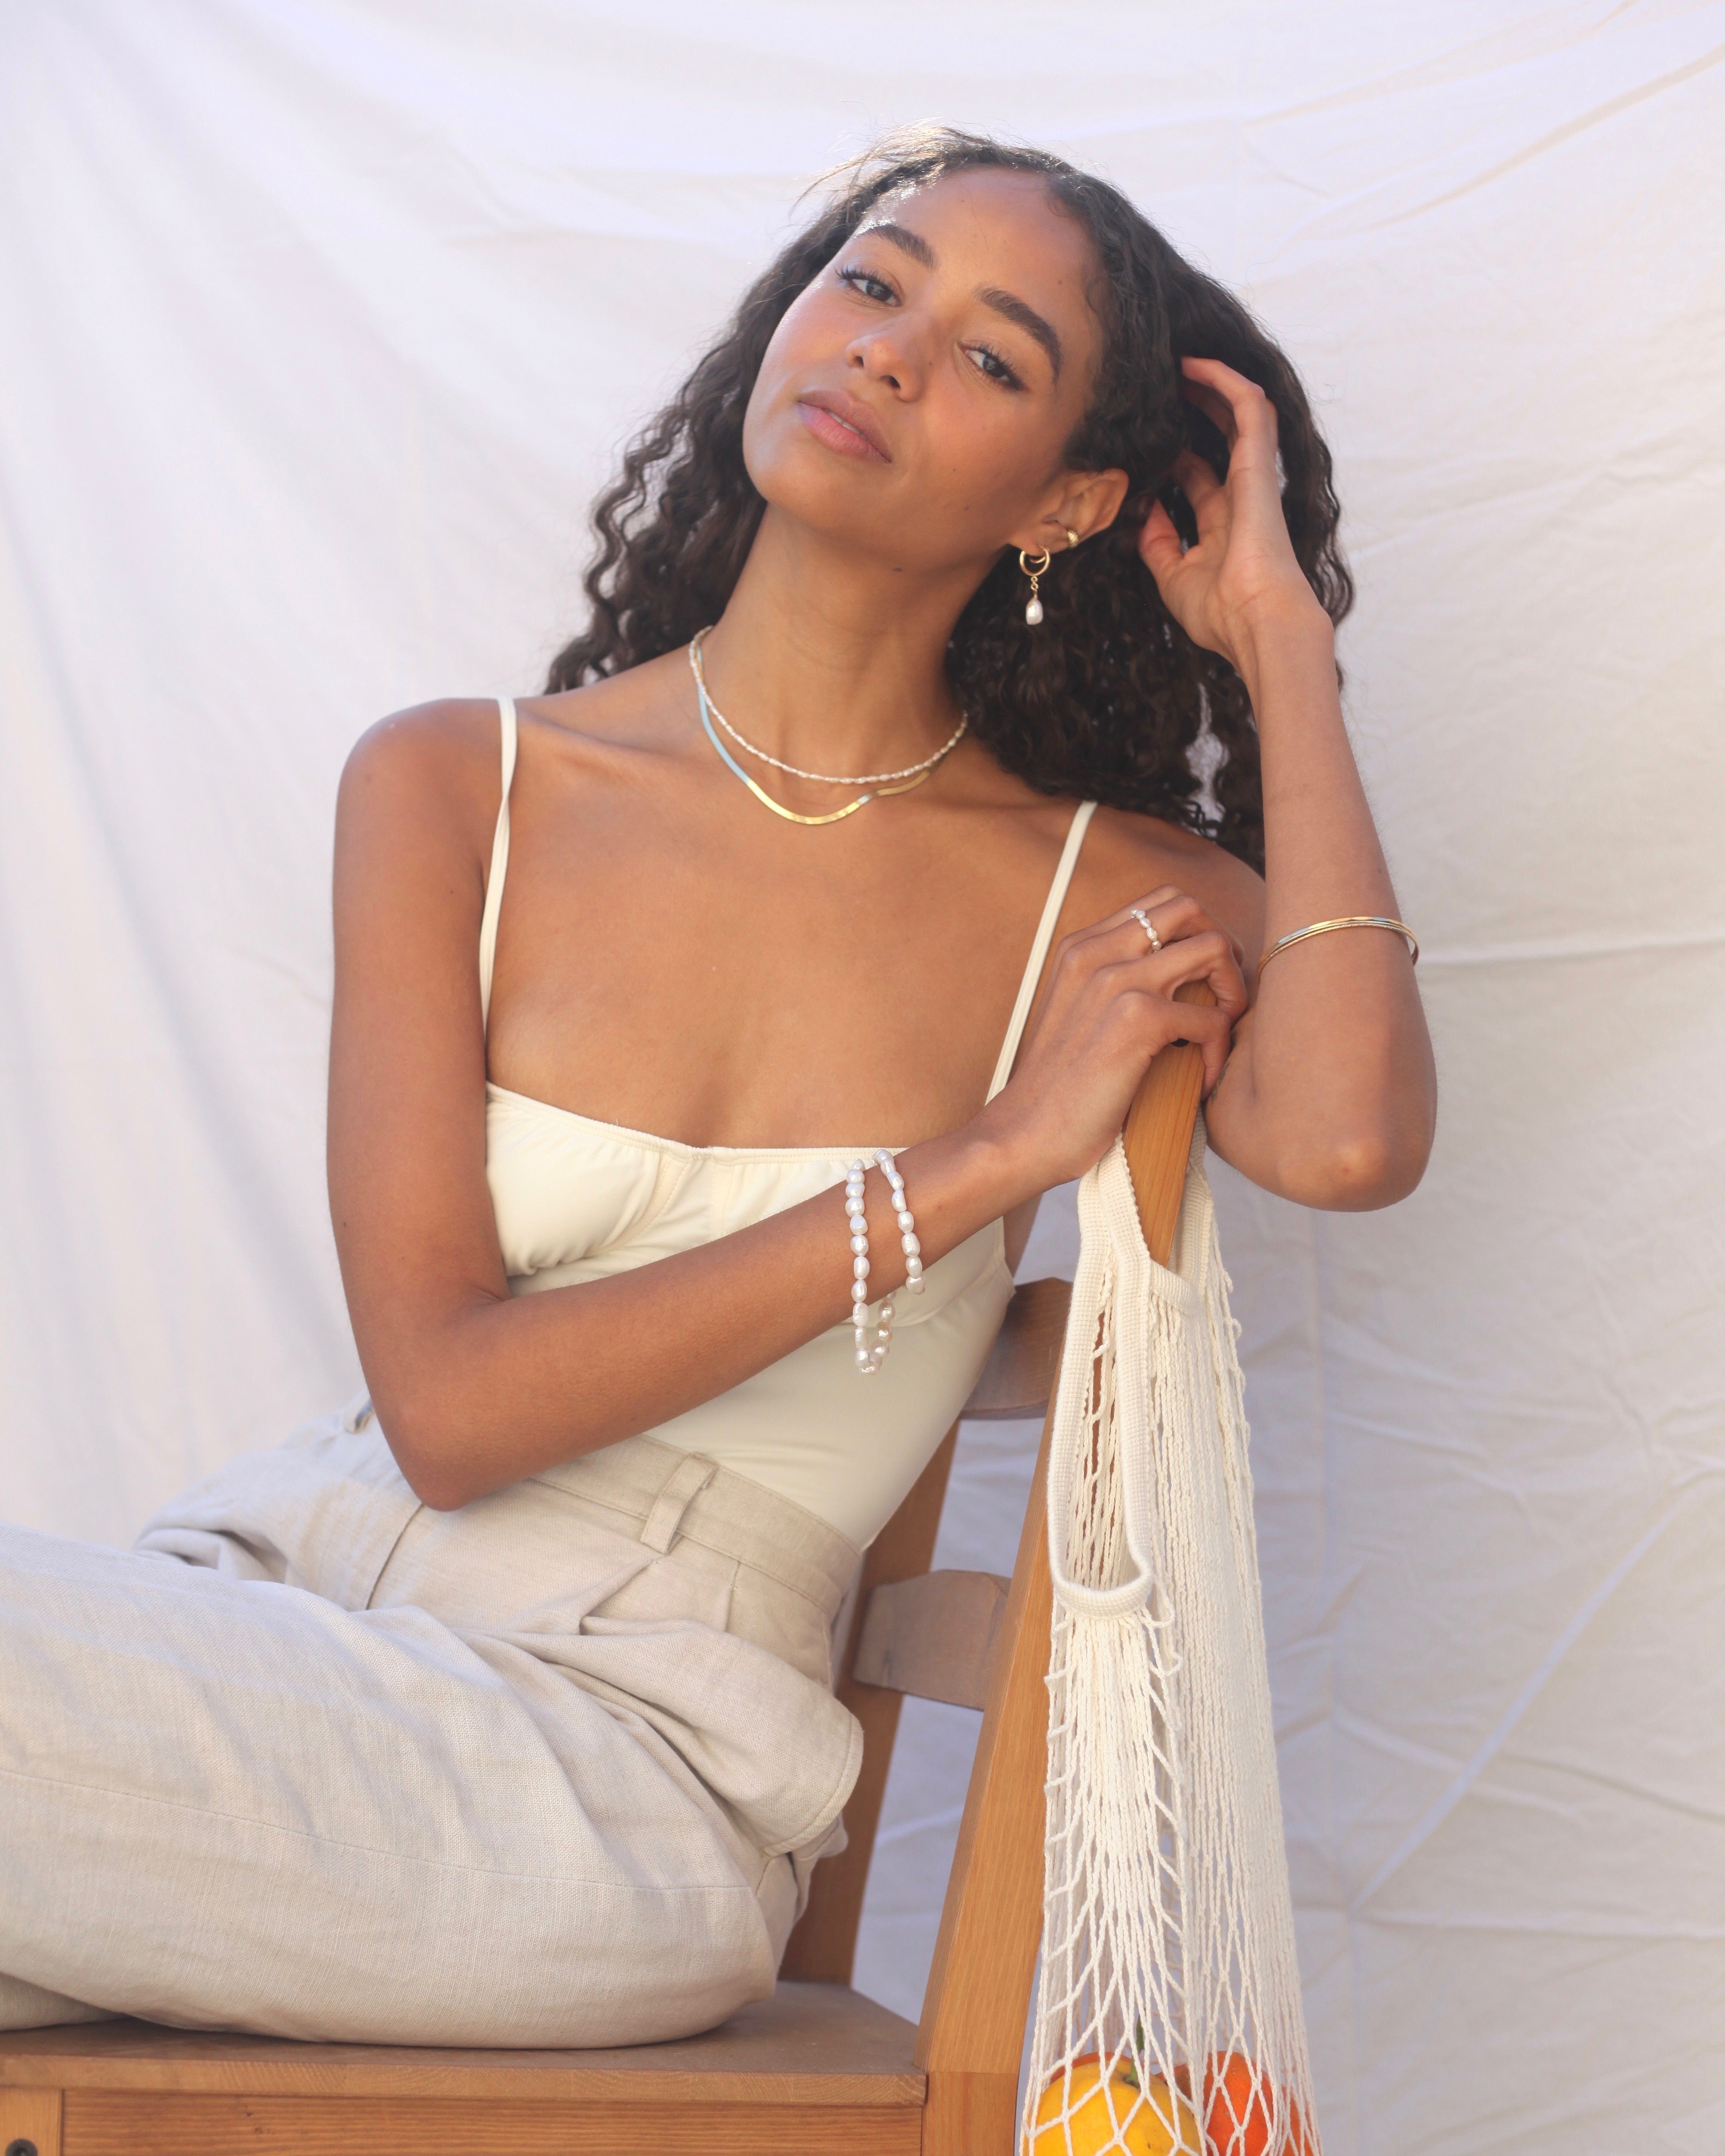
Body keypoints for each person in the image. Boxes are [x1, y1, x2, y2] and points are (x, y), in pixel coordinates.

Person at [0, 126, 1434, 2045]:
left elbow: (1346, 1137)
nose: (889, 349)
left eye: (989, 356)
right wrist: (987, 1159)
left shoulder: (1100, 903)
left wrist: (1283, 652)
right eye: (873, 280)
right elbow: (442, 1400)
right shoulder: (458, 787)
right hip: (267, 1621)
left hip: (621, 1766)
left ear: (1070, 502)